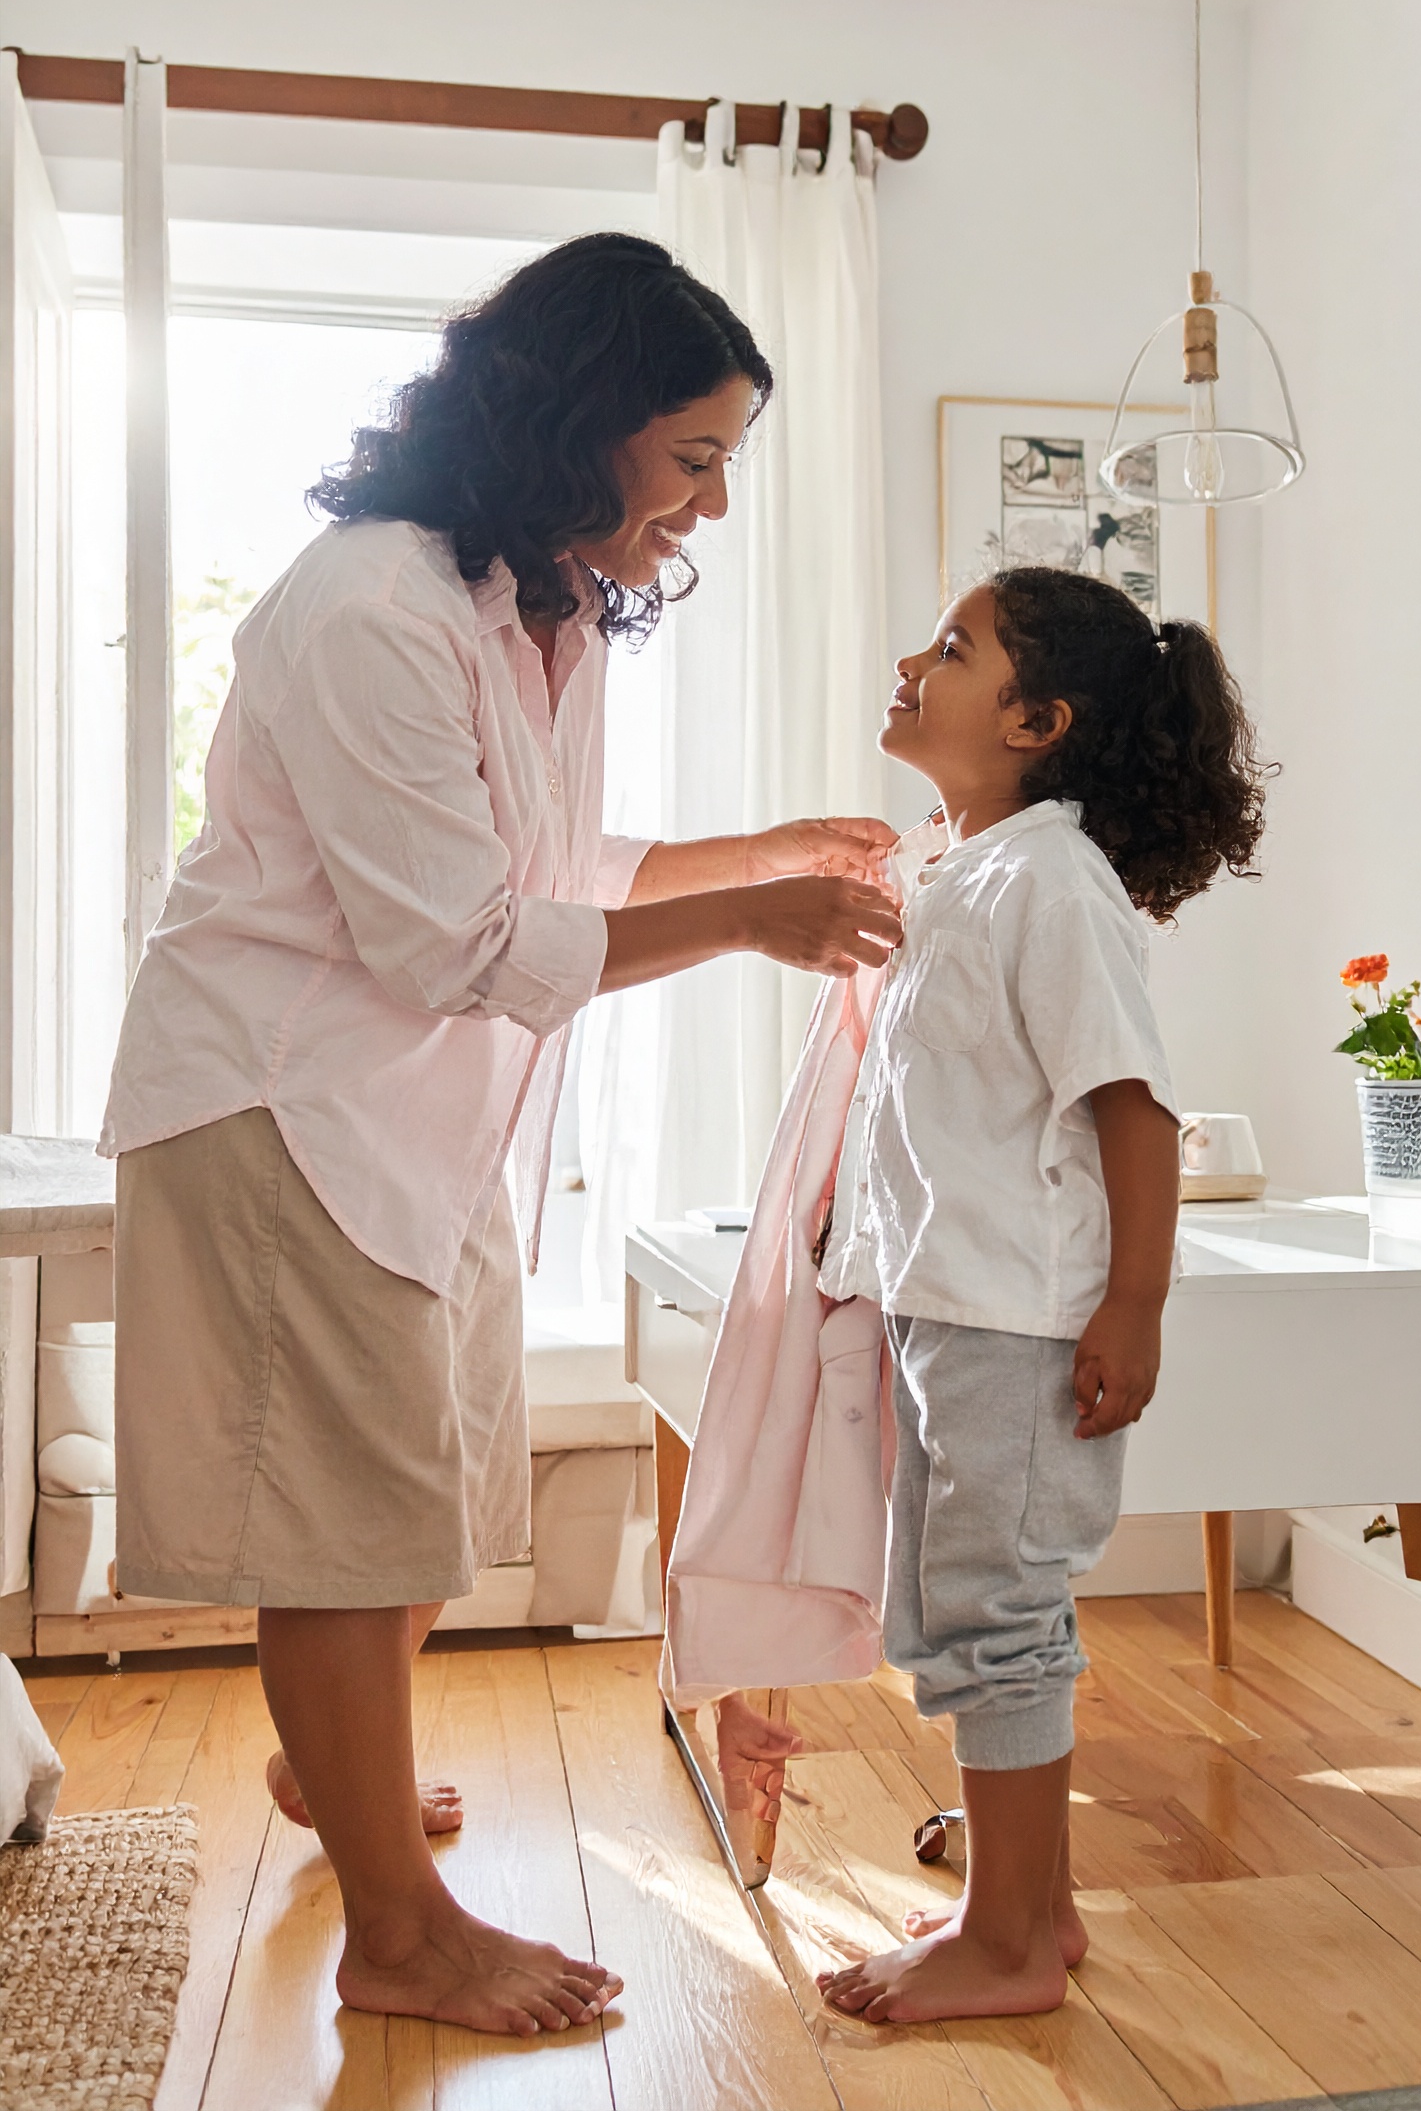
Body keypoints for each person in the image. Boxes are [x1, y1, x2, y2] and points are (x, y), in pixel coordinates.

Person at [99, 233, 902, 2039]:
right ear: (583, 418)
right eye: (691, 456)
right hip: (282, 1103)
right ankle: (402, 1940)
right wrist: (757, 923)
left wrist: (770, 856)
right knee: (345, 1532)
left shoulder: (541, 604)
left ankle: (336, 1788)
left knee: (422, 1500)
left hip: (417, 1119)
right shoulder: (376, 602)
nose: (707, 503)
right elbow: (451, 942)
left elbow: (558, 877)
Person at [815, 564, 1265, 2023]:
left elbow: (1130, 1107)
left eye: (952, 650)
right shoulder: (975, 870)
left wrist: (1134, 1302)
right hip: (956, 1307)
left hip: (1021, 1319)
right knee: (959, 1607)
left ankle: (1007, 1942)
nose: (912, 663)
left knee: (996, 1612)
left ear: (1039, 719)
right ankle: (1028, 1909)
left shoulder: (1054, 880)